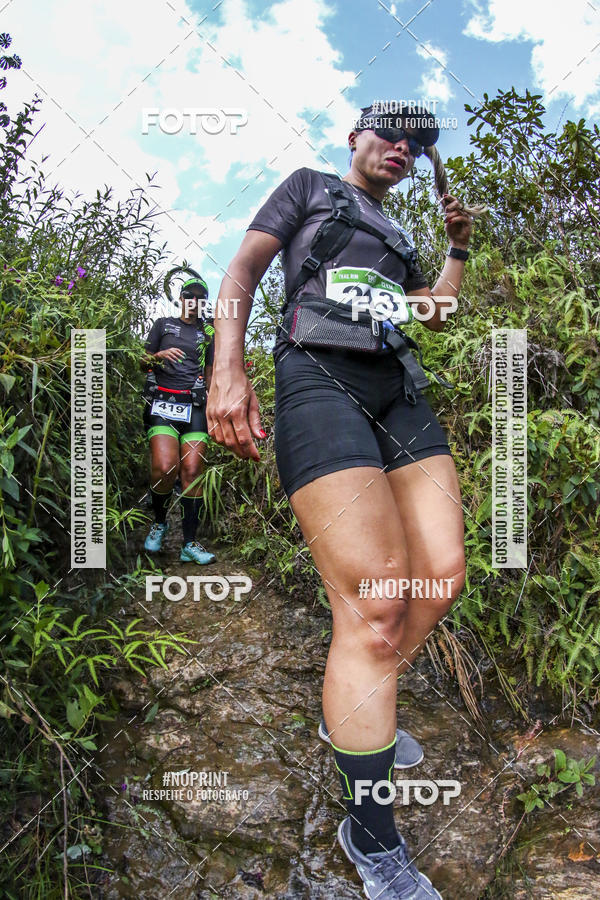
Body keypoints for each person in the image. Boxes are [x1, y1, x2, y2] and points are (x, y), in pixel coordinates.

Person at [208, 103, 482, 898]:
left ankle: (355, 705)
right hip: (315, 374)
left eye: (418, 142)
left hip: (398, 389)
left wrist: (456, 249)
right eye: (389, 132)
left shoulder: (399, 238)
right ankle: (371, 837)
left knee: (443, 575)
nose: (402, 147)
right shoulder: (309, 189)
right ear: (355, 138)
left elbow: (434, 309)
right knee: (376, 602)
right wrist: (228, 370)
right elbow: (240, 274)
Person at [141, 276, 216, 565]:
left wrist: (215, 404)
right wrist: (158, 356)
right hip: (162, 402)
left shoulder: (207, 334)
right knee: (164, 467)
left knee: (193, 469)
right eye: (189, 296)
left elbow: (210, 374)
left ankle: (189, 543)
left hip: (194, 405)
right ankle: (160, 522)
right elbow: (141, 361)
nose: (194, 301)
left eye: (200, 297)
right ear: (181, 298)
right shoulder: (163, 325)